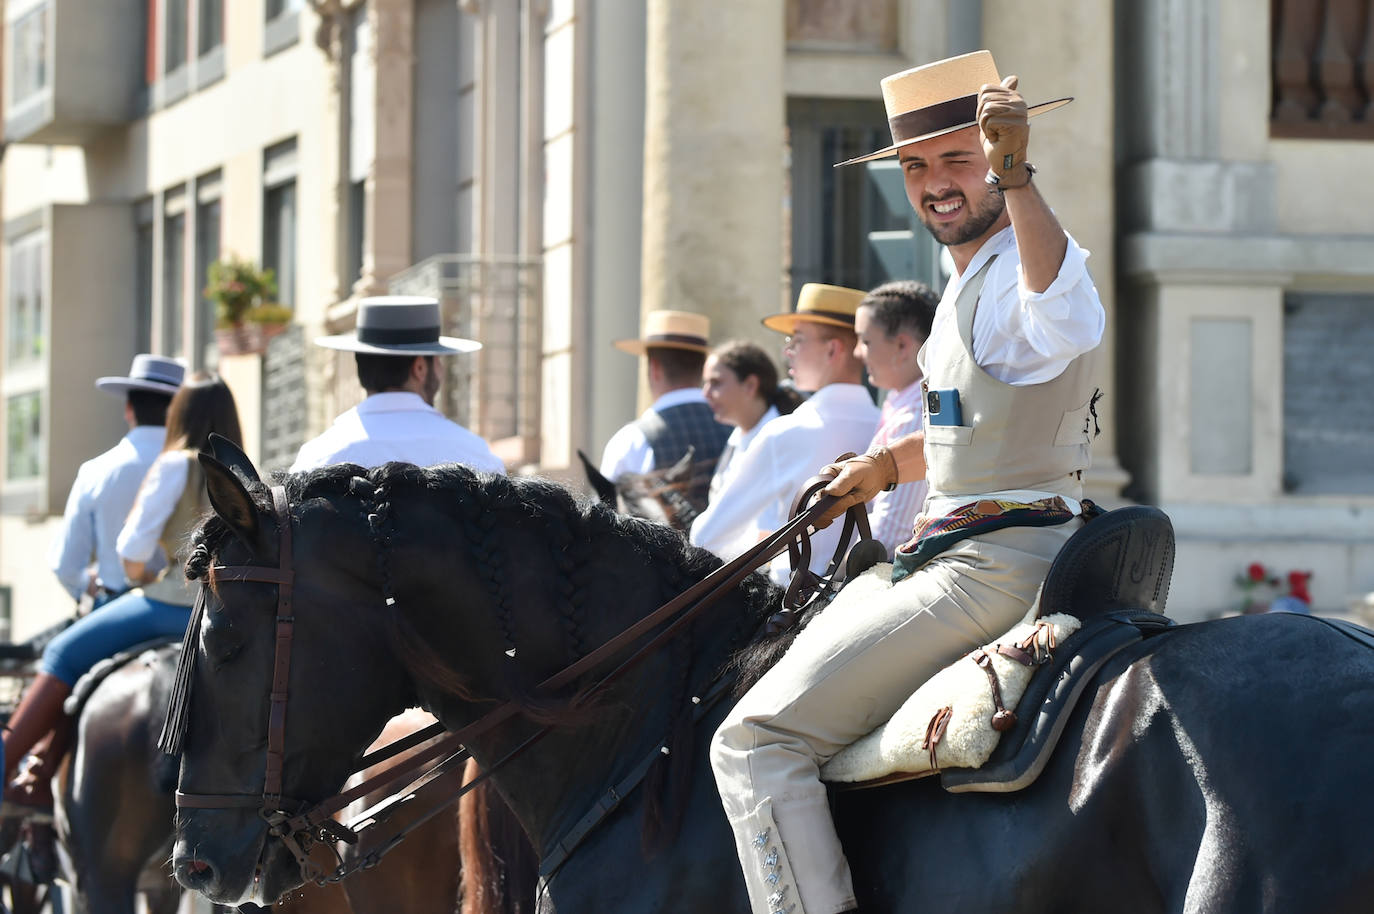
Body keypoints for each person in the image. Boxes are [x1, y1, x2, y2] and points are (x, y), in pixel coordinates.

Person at [710, 51, 1104, 914]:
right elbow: (971, 426)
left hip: (988, 569)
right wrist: (886, 466)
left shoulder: (1021, 266)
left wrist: (1020, 176)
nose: (936, 184)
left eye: (960, 159)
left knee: (752, 742)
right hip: (985, 548)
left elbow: (1068, 318)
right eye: (918, 167)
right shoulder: (970, 279)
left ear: (1001, 158)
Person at [3, 374, 243, 814]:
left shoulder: (176, 464)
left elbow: (131, 549)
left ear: (180, 415)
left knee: (62, 653)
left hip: (164, 606)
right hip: (219, 613)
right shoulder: (242, 470)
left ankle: (8, 765)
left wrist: (152, 567)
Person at [689, 285, 879, 585]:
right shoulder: (886, 424)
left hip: (790, 607)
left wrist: (763, 539)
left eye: (798, 340)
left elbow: (707, 537)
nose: (787, 350)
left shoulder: (785, 433)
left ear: (833, 349)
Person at [291, 296, 504, 473]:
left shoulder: (319, 456)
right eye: (438, 361)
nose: (441, 370)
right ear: (420, 368)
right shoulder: (475, 455)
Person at [48, 354, 185, 609]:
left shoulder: (96, 471)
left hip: (120, 602)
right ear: (178, 411)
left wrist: (84, 584)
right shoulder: (196, 467)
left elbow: (65, 565)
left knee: (57, 651)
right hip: (189, 610)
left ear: (128, 409)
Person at [598, 310, 731, 509]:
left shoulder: (631, 441)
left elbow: (604, 515)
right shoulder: (736, 427)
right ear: (702, 366)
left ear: (654, 368)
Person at [852, 281, 939, 557]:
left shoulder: (913, 417)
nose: (857, 352)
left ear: (902, 345)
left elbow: (887, 539)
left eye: (865, 341)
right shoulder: (902, 404)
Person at [701, 340, 801, 508]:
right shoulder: (738, 435)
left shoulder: (781, 441)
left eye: (716, 383)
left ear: (750, 385)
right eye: (706, 383)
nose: (706, 393)